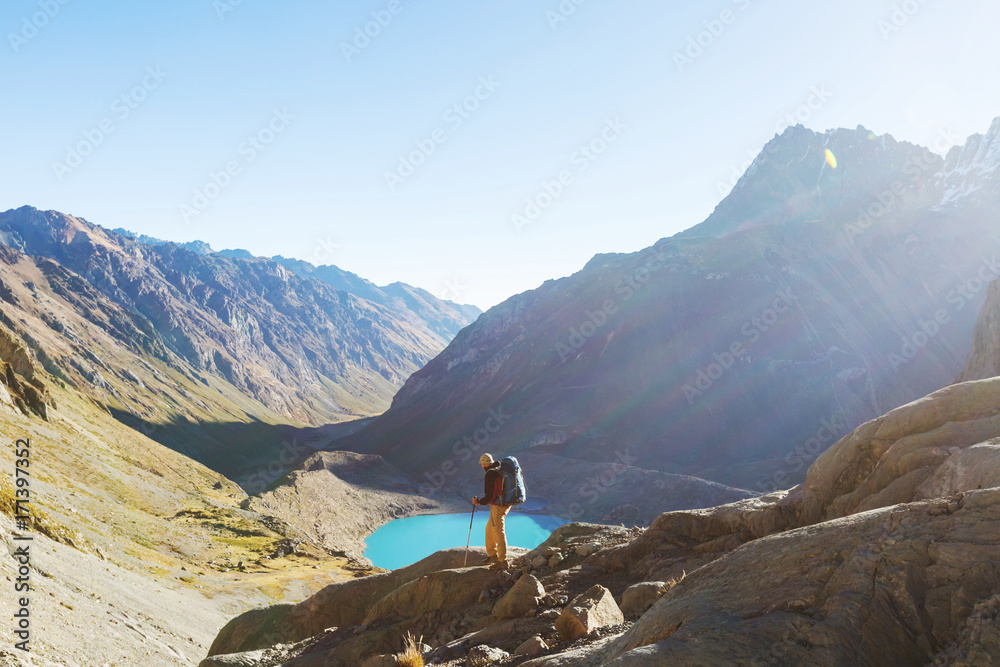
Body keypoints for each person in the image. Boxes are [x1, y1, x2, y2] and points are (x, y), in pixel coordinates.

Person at [473, 453, 510, 569]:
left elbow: (490, 496)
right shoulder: (497, 469)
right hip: (503, 503)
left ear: (484, 464)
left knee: (498, 531)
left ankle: (503, 561)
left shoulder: (491, 474)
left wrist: (479, 502)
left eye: (481, 464)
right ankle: (492, 555)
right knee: (489, 529)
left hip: (498, 506)